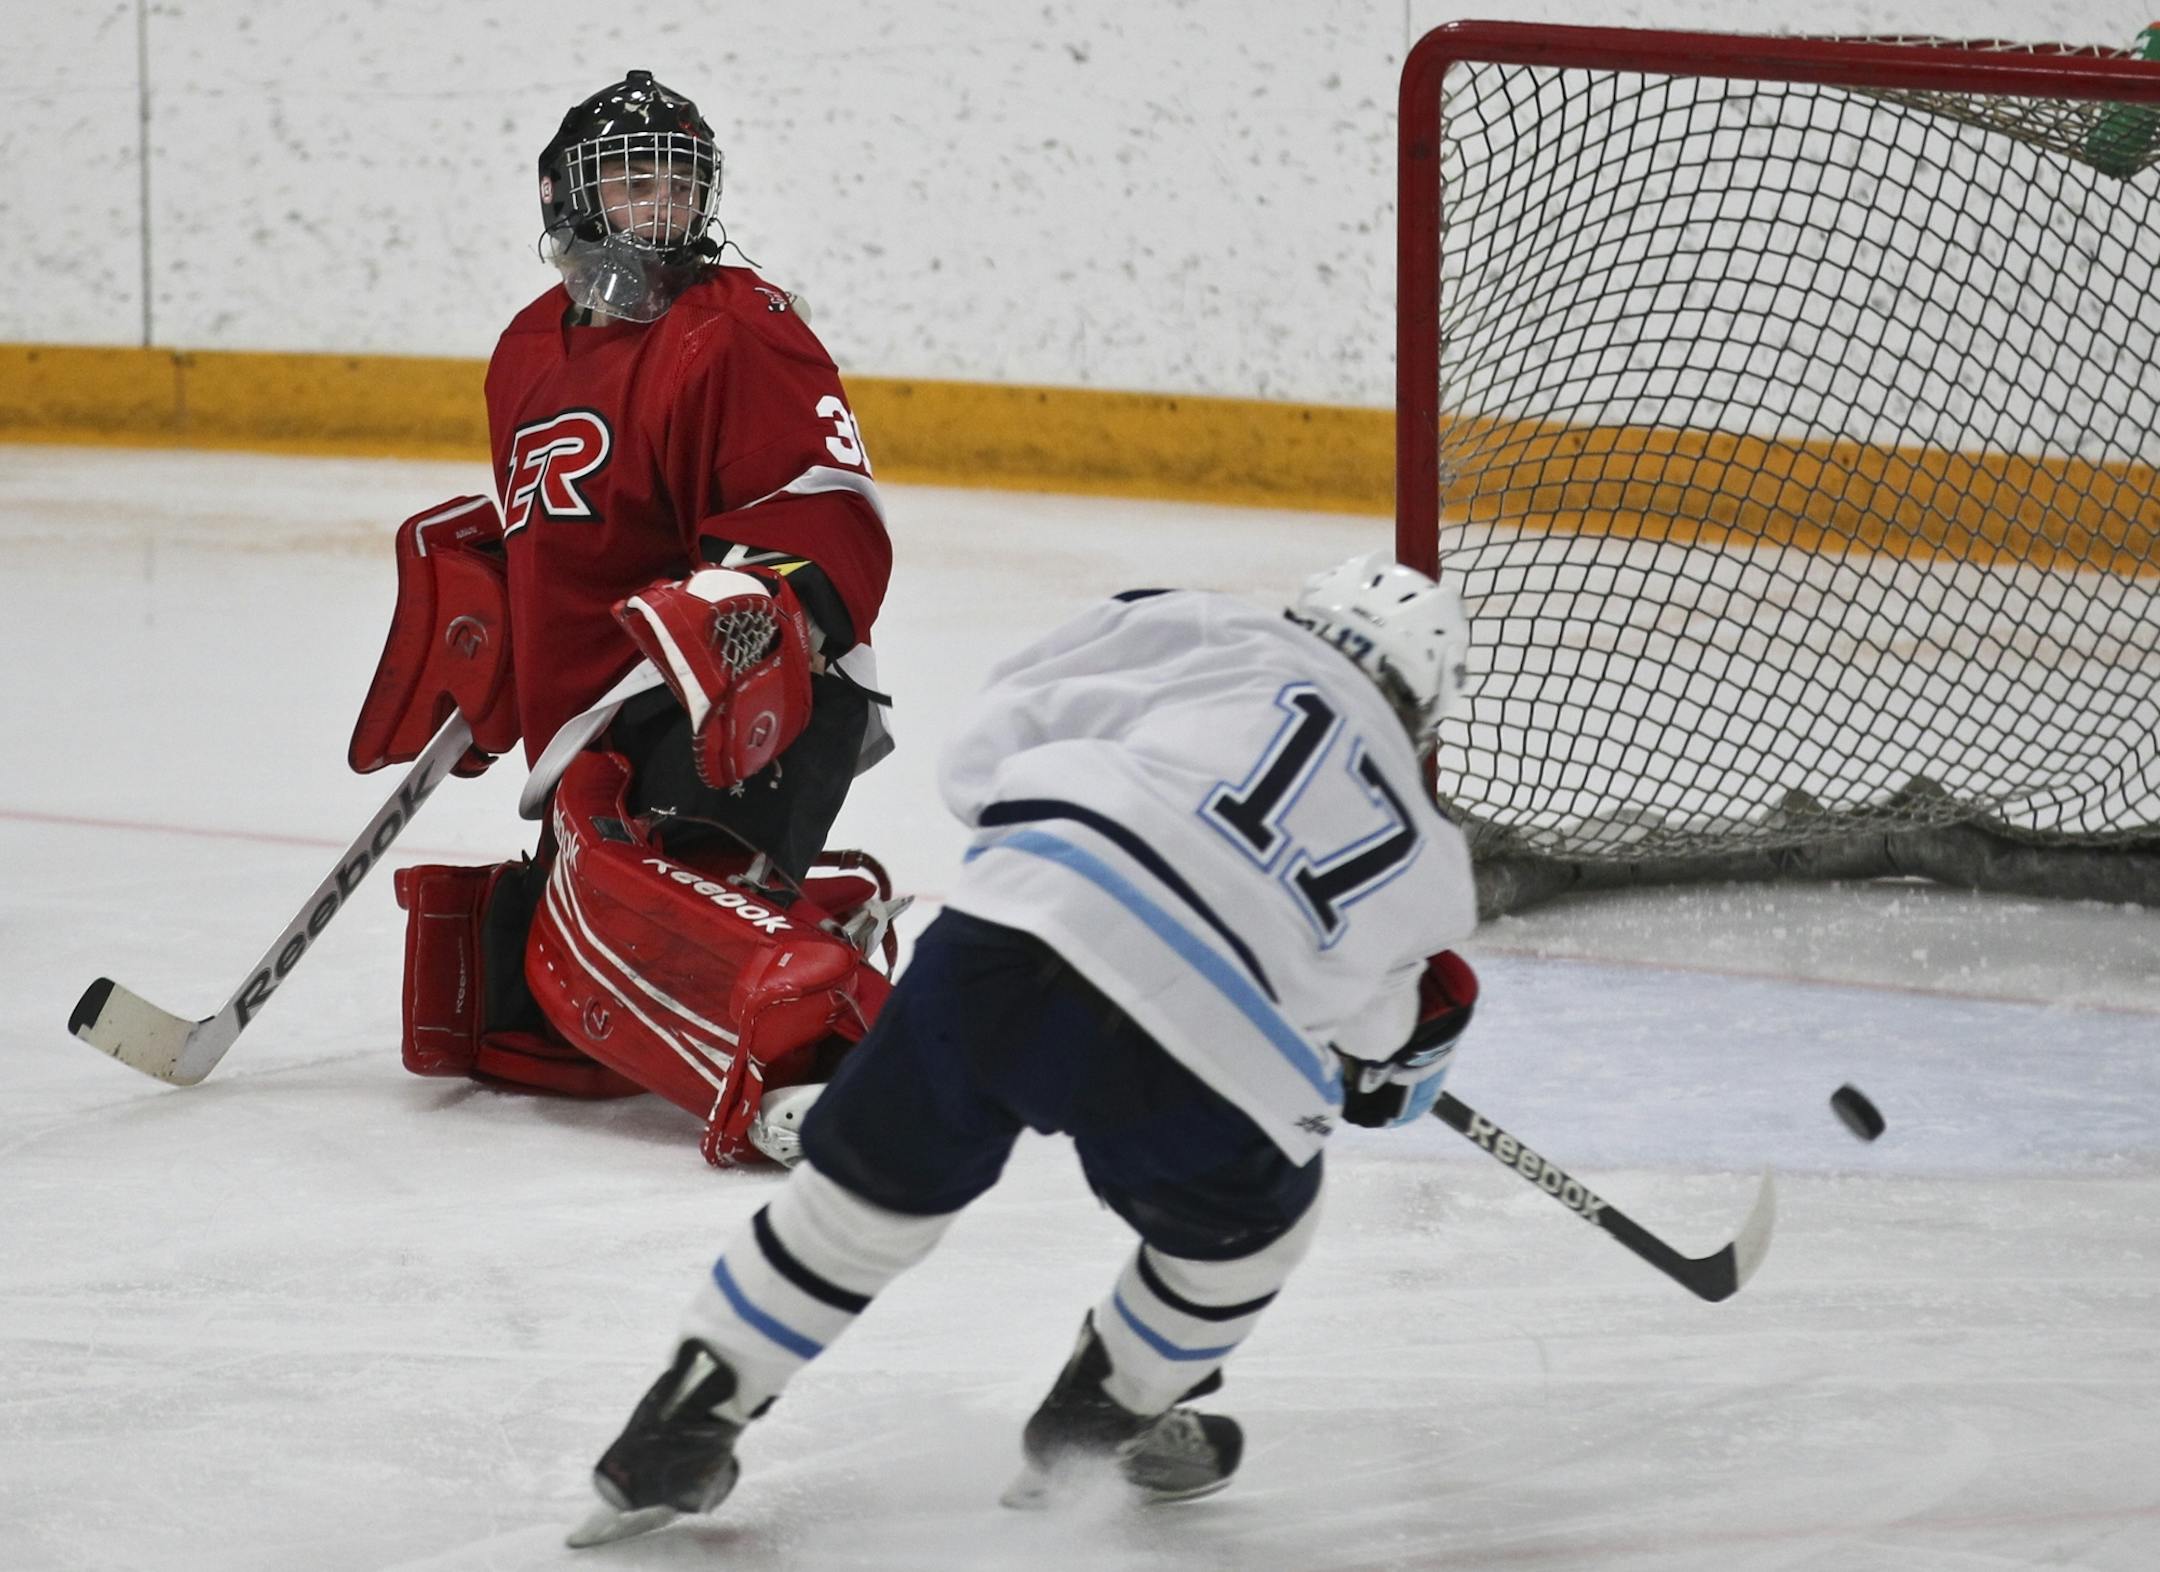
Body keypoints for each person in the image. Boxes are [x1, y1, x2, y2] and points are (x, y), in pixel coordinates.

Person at [564, 551, 1485, 1547]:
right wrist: (1389, 1062)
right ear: (1424, 705)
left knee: (866, 1197)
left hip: (1023, 924)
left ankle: (685, 1420)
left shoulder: (1202, 625)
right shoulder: (1434, 861)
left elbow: (995, 740)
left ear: (1308, 618)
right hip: (1211, 1045)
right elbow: (1380, 1054)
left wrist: (1041, 844)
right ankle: (1099, 1421)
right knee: (1247, 1237)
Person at [345, 70, 900, 1165]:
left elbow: (826, 507)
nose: (661, 208)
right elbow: (552, 527)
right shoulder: (524, 349)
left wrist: (750, 615)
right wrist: (493, 613)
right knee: (523, 1014)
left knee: (619, 899)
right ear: (566, 199)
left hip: (729, 690)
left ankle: (834, 1052)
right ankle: (824, 910)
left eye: (678, 184)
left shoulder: (741, 328)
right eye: (632, 182)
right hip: (589, 713)